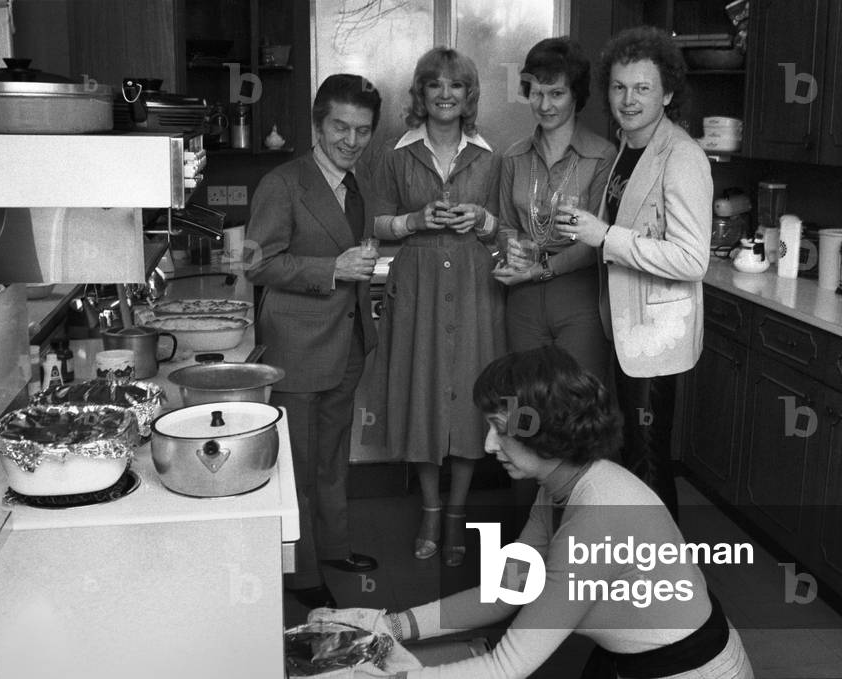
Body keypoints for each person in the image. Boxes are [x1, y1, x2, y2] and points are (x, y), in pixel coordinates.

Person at [310, 346, 754, 679]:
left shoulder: (600, 514)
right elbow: (508, 591)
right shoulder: (561, 485)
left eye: (500, 431)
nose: (487, 445)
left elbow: (508, 666)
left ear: (551, 432)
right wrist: (392, 626)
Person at [557, 26, 713, 520]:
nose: (629, 99)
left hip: (657, 340)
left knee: (648, 461)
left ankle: (671, 582)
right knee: (633, 457)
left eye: (643, 88)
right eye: (619, 87)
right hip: (626, 329)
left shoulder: (682, 155)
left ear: (667, 92)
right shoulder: (628, 146)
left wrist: (605, 237)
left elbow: (692, 259)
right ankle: (646, 572)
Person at [363, 47, 505, 568]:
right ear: (420, 94)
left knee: (470, 394)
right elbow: (375, 224)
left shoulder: (492, 157)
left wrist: (483, 221)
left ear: (469, 96)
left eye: (456, 85)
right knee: (422, 393)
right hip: (418, 280)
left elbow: (508, 230)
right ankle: (429, 508)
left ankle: (456, 514)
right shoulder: (396, 156)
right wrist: (415, 220)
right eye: (434, 85)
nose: (445, 94)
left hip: (473, 281)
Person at [245, 73, 383, 610]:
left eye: (363, 130)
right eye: (340, 128)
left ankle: (335, 547)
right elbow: (258, 264)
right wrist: (333, 268)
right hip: (297, 348)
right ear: (317, 124)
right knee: (297, 466)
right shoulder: (284, 183)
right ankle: (301, 574)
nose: (351, 141)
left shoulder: (357, 184)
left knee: (331, 459)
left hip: (347, 341)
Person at [493, 37, 615, 381]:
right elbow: (505, 224)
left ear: (576, 95)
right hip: (523, 302)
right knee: (527, 402)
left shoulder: (603, 156)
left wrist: (539, 270)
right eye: (535, 92)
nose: (544, 104)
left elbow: (596, 242)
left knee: (578, 407)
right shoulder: (513, 156)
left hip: (579, 299)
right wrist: (511, 248)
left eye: (556, 93)